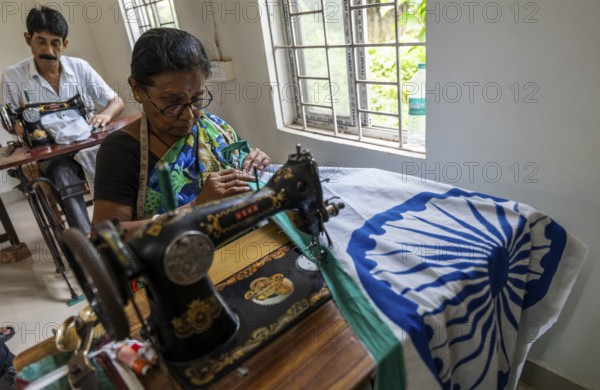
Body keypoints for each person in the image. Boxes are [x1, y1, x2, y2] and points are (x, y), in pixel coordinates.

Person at [93, 28, 270, 234]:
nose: (188, 116)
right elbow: (104, 236)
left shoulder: (214, 128)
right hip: (178, 259)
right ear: (137, 89)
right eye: (172, 102)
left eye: (197, 98)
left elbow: (238, 171)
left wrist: (254, 162)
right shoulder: (121, 150)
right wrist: (194, 208)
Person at [1, 6, 125, 235]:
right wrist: (18, 127)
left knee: (121, 163)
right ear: (28, 39)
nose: (49, 50)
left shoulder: (80, 68)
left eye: (56, 43)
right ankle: (90, 244)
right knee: (61, 175)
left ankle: (124, 229)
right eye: (41, 41)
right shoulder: (13, 76)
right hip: (52, 153)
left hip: (89, 143)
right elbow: (10, 122)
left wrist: (104, 115)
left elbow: (115, 101)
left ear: (65, 44)